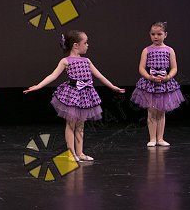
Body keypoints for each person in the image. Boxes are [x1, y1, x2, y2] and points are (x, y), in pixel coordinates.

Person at [24, 30, 125, 162]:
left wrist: (112, 86)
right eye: (85, 43)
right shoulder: (66, 61)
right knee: (71, 124)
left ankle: (80, 152)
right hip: (72, 95)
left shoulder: (87, 61)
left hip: (85, 95)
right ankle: (71, 154)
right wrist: (38, 86)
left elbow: (99, 76)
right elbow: (53, 76)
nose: (87, 45)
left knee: (81, 125)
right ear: (76, 45)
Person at [130, 21, 184, 146]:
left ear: (165, 35)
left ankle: (160, 138)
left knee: (161, 111)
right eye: (153, 34)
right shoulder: (146, 50)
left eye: (159, 34)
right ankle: (152, 139)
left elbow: (174, 68)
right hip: (150, 84)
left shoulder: (169, 50)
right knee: (151, 111)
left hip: (164, 83)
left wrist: (168, 77)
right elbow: (141, 68)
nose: (156, 37)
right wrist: (150, 77)